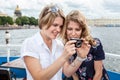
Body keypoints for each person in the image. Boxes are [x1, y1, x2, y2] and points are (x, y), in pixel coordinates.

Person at [21, 4, 78, 80]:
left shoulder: (59, 45)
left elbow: (67, 72)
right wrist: (64, 57)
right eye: (55, 25)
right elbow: (39, 77)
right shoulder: (30, 43)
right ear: (43, 22)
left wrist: (81, 57)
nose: (58, 30)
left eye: (60, 26)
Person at [62, 10, 109, 80]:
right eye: (69, 29)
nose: (73, 33)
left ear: (82, 30)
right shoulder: (66, 46)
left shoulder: (95, 44)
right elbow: (73, 74)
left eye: (77, 29)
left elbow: (98, 73)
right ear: (65, 30)